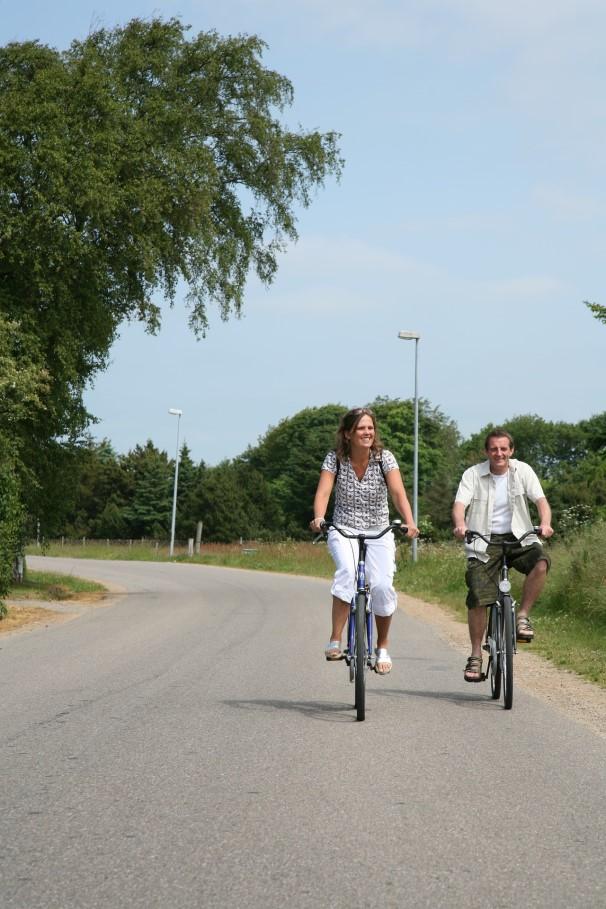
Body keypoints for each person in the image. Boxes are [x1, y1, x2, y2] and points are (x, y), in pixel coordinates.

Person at [310, 407, 419, 675]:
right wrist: (319, 518)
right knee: (347, 573)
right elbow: (323, 492)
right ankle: (335, 640)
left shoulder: (385, 459)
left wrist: (409, 521)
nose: (367, 432)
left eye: (370, 428)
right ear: (348, 434)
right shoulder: (335, 459)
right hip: (343, 527)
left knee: (382, 586)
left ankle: (382, 646)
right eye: (361, 428)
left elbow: (397, 492)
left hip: (378, 529)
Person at [452, 428, 554, 682]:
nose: (499, 453)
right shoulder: (473, 474)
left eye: (504, 449)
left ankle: (522, 617)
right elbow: (459, 505)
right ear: (487, 452)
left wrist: (546, 523)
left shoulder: (523, 471)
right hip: (484, 541)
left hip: (519, 536)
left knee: (541, 563)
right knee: (478, 595)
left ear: (511, 451)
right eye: (494, 449)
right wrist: (461, 525)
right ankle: (476, 655)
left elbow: (540, 501)